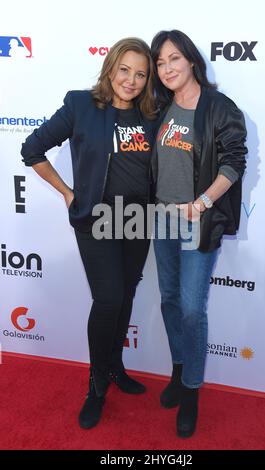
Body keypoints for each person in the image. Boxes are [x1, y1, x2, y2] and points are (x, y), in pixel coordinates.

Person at [21, 37, 157, 430]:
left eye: (140, 74)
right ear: (110, 67)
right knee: (108, 297)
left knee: (126, 293)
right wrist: (67, 192)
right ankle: (96, 386)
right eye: (125, 70)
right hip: (96, 219)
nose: (130, 80)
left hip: (138, 219)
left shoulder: (152, 115)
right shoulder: (81, 105)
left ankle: (115, 367)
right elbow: (32, 150)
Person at [150, 30, 247, 438]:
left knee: (192, 307)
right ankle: (177, 370)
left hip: (196, 221)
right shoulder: (159, 109)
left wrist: (201, 204)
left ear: (191, 60)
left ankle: (191, 389)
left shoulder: (218, 108)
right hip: (160, 220)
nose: (167, 68)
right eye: (160, 63)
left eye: (174, 59)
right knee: (170, 300)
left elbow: (234, 161)